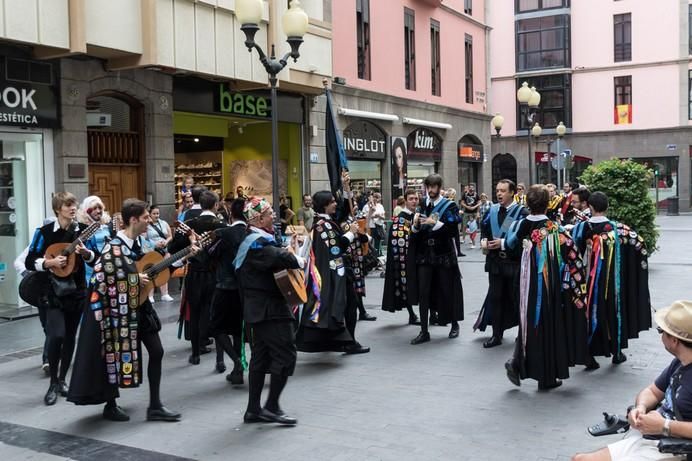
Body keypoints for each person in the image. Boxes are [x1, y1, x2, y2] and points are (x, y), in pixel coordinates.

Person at [67, 198, 183, 422]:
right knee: (112, 354)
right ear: (133, 220)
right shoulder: (114, 247)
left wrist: (183, 257)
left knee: (157, 351)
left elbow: (153, 266)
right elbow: (103, 275)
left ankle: (155, 405)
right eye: (145, 217)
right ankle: (110, 404)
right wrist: (131, 278)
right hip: (115, 313)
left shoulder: (139, 244)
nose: (149, 221)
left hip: (139, 306)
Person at [572, 300, 692, 461]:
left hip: (674, 447)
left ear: (674, 341)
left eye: (661, 331)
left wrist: (665, 426)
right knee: (580, 459)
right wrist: (640, 408)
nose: (661, 335)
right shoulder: (679, 362)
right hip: (652, 438)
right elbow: (652, 391)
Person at [503, 185, 588, 390]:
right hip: (548, 284)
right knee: (547, 325)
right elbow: (572, 250)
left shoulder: (520, 224)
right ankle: (545, 375)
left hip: (524, 282)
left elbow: (509, 244)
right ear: (547, 204)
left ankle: (519, 361)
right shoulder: (553, 227)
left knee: (527, 321)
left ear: (528, 203)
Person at [234, 197, 305, 425]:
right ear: (258, 218)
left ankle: (254, 410)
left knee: (261, 357)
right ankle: (272, 406)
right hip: (269, 309)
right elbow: (280, 257)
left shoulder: (256, 239)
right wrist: (297, 258)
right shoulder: (255, 243)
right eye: (269, 213)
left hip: (260, 309)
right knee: (286, 354)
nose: (274, 215)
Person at [25, 192, 96, 406]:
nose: (73, 208)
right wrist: (49, 263)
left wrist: (86, 254)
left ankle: (63, 380)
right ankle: (53, 382)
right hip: (52, 291)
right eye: (68, 205)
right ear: (58, 209)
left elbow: (96, 257)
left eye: (74, 204)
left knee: (70, 336)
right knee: (56, 335)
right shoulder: (44, 232)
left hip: (76, 291)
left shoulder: (82, 231)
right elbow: (30, 259)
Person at [571, 191, 652, 369]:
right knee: (614, 313)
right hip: (613, 284)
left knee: (589, 315)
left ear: (589, 207)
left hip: (587, 284)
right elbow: (640, 244)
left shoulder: (580, 228)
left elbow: (571, 250)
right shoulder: (619, 229)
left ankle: (588, 355)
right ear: (607, 207)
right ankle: (616, 352)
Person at [296, 184, 371, 355]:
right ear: (324, 205)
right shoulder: (325, 225)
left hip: (331, 273)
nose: (335, 204)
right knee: (349, 305)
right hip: (334, 275)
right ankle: (350, 342)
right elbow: (336, 249)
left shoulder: (322, 223)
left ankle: (346, 340)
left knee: (347, 305)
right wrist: (351, 233)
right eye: (332, 202)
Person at [169, 190, 226, 365]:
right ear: (216, 205)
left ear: (200, 205)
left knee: (194, 314)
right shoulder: (221, 225)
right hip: (215, 275)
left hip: (194, 274)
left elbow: (172, 248)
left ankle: (195, 354)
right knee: (216, 315)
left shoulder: (189, 223)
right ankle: (220, 359)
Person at [409, 174, 464, 344]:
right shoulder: (422, 204)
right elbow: (415, 231)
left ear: (439, 187)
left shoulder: (449, 205)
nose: (431, 190)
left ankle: (454, 324)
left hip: (443, 253)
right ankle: (424, 331)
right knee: (424, 292)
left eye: (434, 187)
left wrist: (435, 224)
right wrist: (416, 225)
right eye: (428, 187)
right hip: (425, 254)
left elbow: (453, 229)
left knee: (447, 290)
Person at [474, 180, 528, 348]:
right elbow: (485, 228)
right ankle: (496, 335)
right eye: (497, 190)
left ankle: (522, 335)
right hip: (496, 262)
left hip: (514, 263)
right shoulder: (492, 210)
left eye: (503, 191)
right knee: (496, 298)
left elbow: (524, 239)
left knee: (516, 299)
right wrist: (484, 241)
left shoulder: (522, 212)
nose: (499, 194)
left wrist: (503, 242)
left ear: (512, 192)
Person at [209, 198, 246, 383]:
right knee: (238, 329)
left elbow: (209, 254)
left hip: (224, 287)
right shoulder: (250, 233)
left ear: (231, 215)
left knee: (217, 328)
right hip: (243, 289)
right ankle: (237, 371)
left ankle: (237, 361)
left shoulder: (224, 233)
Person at [381, 189, 420, 325]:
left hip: (419, 257)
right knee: (406, 285)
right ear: (405, 201)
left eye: (416, 198)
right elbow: (399, 242)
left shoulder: (418, 215)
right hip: (406, 259)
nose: (414, 201)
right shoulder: (400, 219)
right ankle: (412, 314)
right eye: (411, 199)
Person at [146, 205, 174, 303]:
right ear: (149, 214)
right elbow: (144, 239)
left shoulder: (164, 223)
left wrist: (166, 242)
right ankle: (150, 295)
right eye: (154, 213)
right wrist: (154, 244)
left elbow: (170, 236)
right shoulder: (146, 225)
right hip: (152, 251)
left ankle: (165, 294)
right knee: (151, 272)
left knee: (164, 271)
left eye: (158, 213)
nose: (156, 215)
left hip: (164, 250)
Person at [362, 192, 386, 256]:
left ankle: (377, 254)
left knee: (378, 242)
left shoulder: (380, 206)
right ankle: (370, 255)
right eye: (374, 197)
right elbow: (364, 217)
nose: (376, 199)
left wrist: (379, 216)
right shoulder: (366, 207)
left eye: (378, 197)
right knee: (369, 242)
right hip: (370, 226)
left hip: (378, 226)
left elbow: (383, 217)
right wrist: (372, 215)